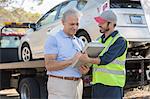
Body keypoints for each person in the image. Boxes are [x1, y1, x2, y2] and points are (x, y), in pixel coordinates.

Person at [79, 10, 128, 99]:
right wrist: (87, 68)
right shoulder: (98, 41)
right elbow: (92, 60)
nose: (99, 24)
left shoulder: (120, 41)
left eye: (102, 22)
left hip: (113, 86)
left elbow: (105, 59)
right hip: (98, 84)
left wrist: (87, 60)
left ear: (111, 24)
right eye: (99, 22)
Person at [44, 9, 89, 99]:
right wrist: (71, 61)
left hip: (78, 85)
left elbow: (83, 66)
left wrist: (85, 70)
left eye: (77, 24)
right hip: (60, 84)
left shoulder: (80, 42)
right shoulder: (54, 39)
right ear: (63, 22)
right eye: (72, 24)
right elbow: (49, 65)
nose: (75, 27)